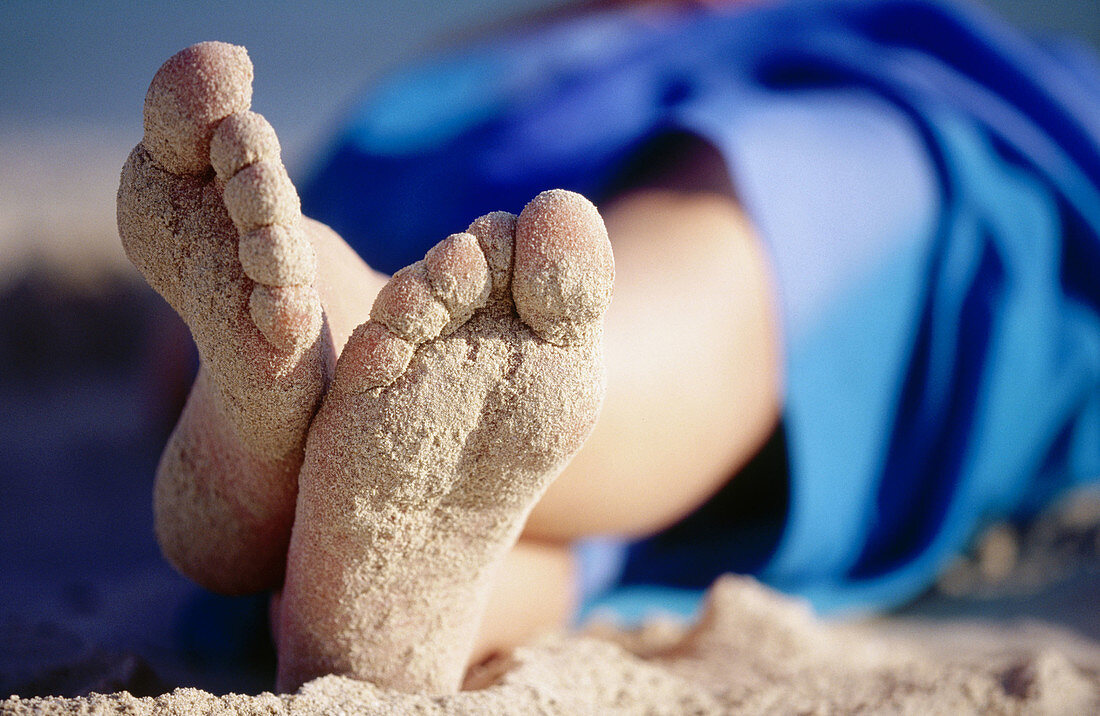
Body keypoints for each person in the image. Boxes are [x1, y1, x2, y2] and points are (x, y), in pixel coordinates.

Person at [118, 0, 1100, 694]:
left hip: (468, 170)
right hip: (805, 140)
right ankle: (395, 546)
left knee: (802, 178)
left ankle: (304, 409)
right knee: (814, 189)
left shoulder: (479, 72)